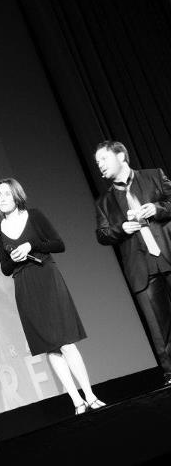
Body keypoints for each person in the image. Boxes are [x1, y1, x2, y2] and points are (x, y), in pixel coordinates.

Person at [0, 178, 104, 414]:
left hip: (47, 278)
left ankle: (90, 395)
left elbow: (58, 244)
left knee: (66, 342)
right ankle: (77, 401)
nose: (1, 198)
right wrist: (13, 258)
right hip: (25, 286)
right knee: (50, 347)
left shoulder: (34, 216)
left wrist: (31, 245)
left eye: (6, 193)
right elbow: (5, 269)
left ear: (16, 195)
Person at [94, 140, 171, 386]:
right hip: (141, 267)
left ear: (121, 156)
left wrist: (157, 209)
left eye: (103, 159)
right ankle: (170, 372)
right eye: (97, 162)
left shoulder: (153, 176)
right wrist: (121, 228)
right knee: (159, 326)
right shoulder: (104, 201)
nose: (100, 165)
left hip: (167, 253)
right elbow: (102, 234)